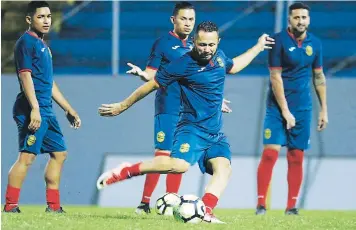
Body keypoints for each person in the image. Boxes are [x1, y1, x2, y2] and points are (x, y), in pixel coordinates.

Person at [97, 21, 273, 223]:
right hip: (191, 129)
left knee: (224, 169)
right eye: (202, 45)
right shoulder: (183, 63)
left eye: (211, 45)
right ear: (194, 42)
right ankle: (127, 170)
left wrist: (258, 47)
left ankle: (206, 210)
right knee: (179, 166)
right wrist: (123, 105)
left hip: (215, 134)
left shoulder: (220, 57)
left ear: (218, 42)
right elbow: (151, 85)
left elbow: (234, 66)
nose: (207, 49)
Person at [123, 2, 231, 214]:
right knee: (163, 155)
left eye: (191, 19)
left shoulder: (197, 47)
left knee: (179, 159)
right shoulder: (163, 43)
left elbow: (202, 81)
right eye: (183, 19)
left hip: (188, 112)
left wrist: (217, 101)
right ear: (173, 20)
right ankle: (144, 203)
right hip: (167, 106)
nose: (188, 23)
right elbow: (152, 74)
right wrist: (142, 75)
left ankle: (170, 202)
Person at [3, 1, 81, 213]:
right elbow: (25, 75)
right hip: (31, 108)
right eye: (41, 17)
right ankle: (10, 206)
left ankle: (54, 207)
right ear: (29, 19)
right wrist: (34, 108)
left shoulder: (43, 46)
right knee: (27, 157)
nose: (47, 20)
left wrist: (68, 108)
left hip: (46, 109)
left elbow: (49, 82)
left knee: (59, 153)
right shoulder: (25, 43)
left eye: (48, 16)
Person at [255, 2, 328, 215]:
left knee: (296, 155)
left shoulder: (316, 43)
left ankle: (291, 206)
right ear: (290, 19)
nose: (301, 21)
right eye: (297, 18)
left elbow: (318, 77)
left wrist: (324, 109)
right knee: (270, 152)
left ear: (309, 19)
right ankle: (261, 204)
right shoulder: (277, 41)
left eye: (304, 17)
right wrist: (285, 111)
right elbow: (275, 77)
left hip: (303, 107)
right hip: (277, 107)